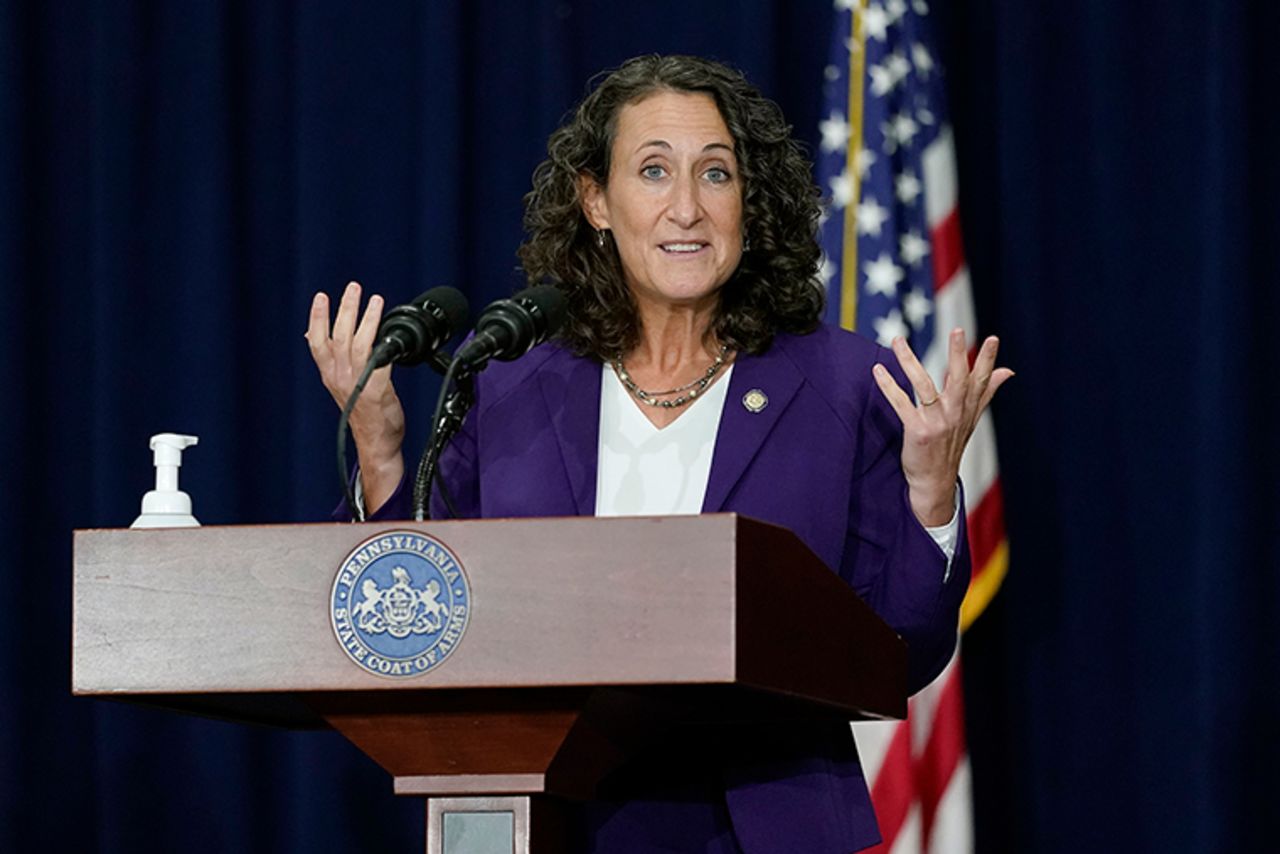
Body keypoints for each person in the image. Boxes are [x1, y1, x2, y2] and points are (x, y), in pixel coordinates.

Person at [306, 54, 1010, 854]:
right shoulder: (506, 377)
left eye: (717, 174)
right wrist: (382, 448)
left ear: (751, 203)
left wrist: (929, 496)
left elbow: (902, 654)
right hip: (537, 819)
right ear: (596, 201)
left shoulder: (845, 383)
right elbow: (416, 618)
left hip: (763, 824)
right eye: (652, 171)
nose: (687, 208)